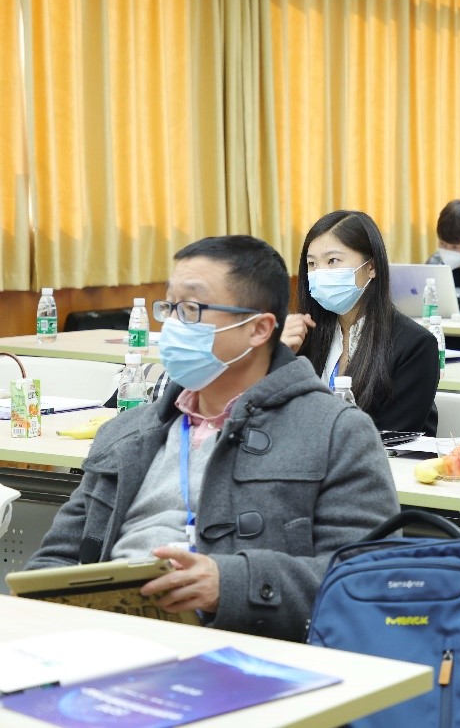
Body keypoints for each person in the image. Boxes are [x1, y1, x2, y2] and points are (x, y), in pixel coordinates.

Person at [25, 236, 399, 641]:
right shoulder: (126, 433)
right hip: (108, 642)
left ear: (258, 328)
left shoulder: (336, 432)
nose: (171, 325)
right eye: (169, 307)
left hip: (246, 651)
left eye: (191, 309)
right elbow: (52, 562)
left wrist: (233, 584)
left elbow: (370, 578)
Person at [283, 210, 440, 435]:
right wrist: (280, 356)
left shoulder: (414, 345)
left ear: (371, 267)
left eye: (332, 261)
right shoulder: (305, 336)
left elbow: (390, 435)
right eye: (312, 264)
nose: (319, 273)